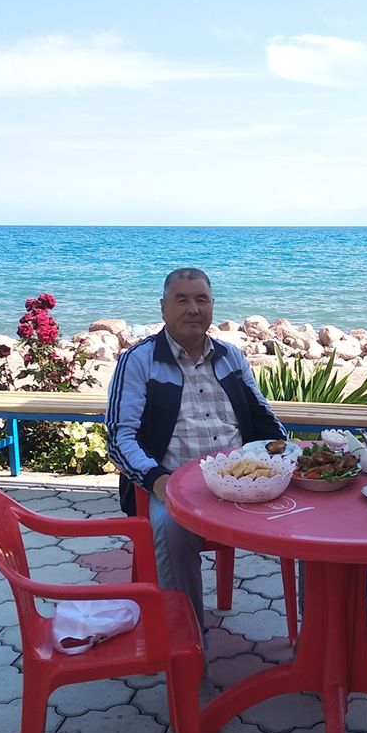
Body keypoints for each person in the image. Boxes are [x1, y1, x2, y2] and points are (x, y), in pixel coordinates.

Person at [106, 268, 286, 627]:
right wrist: (158, 481)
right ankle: (186, 641)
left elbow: (264, 418)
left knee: (309, 516)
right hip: (173, 484)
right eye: (182, 300)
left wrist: (282, 453)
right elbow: (119, 438)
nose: (193, 309)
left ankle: (315, 638)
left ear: (212, 306)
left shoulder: (231, 357)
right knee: (171, 530)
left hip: (242, 481)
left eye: (202, 300)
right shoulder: (139, 361)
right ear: (163, 307)